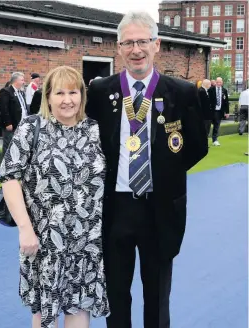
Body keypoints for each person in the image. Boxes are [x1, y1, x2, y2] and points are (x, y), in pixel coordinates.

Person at [86, 11, 208, 328]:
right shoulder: (100, 92)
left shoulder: (182, 92)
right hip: (115, 209)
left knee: (156, 298)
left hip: (160, 209)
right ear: (118, 47)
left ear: (157, 45)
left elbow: (197, 146)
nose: (136, 49)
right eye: (129, 43)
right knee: (116, 296)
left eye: (142, 41)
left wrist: (164, 174)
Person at [0, 66, 110, 328]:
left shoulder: (95, 130)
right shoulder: (31, 127)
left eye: (73, 92)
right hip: (44, 242)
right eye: (59, 92)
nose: (67, 99)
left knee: (79, 308)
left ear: (82, 95)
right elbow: (10, 178)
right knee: (44, 313)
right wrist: (25, 229)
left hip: (87, 243)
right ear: (47, 96)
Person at [0, 72, 28, 157]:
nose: (24, 82)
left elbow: (23, 107)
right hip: (12, 125)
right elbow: (4, 109)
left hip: (22, 124)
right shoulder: (6, 91)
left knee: (20, 146)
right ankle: (6, 167)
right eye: (22, 80)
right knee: (9, 146)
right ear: (16, 80)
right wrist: (8, 123)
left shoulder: (21, 92)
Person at [208, 77, 229, 146]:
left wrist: (227, 112)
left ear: (222, 82)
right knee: (208, 125)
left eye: (220, 82)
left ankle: (215, 140)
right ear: (215, 82)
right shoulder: (211, 90)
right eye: (217, 82)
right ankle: (204, 139)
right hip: (211, 111)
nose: (219, 83)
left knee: (217, 126)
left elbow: (226, 102)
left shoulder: (224, 90)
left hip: (219, 111)